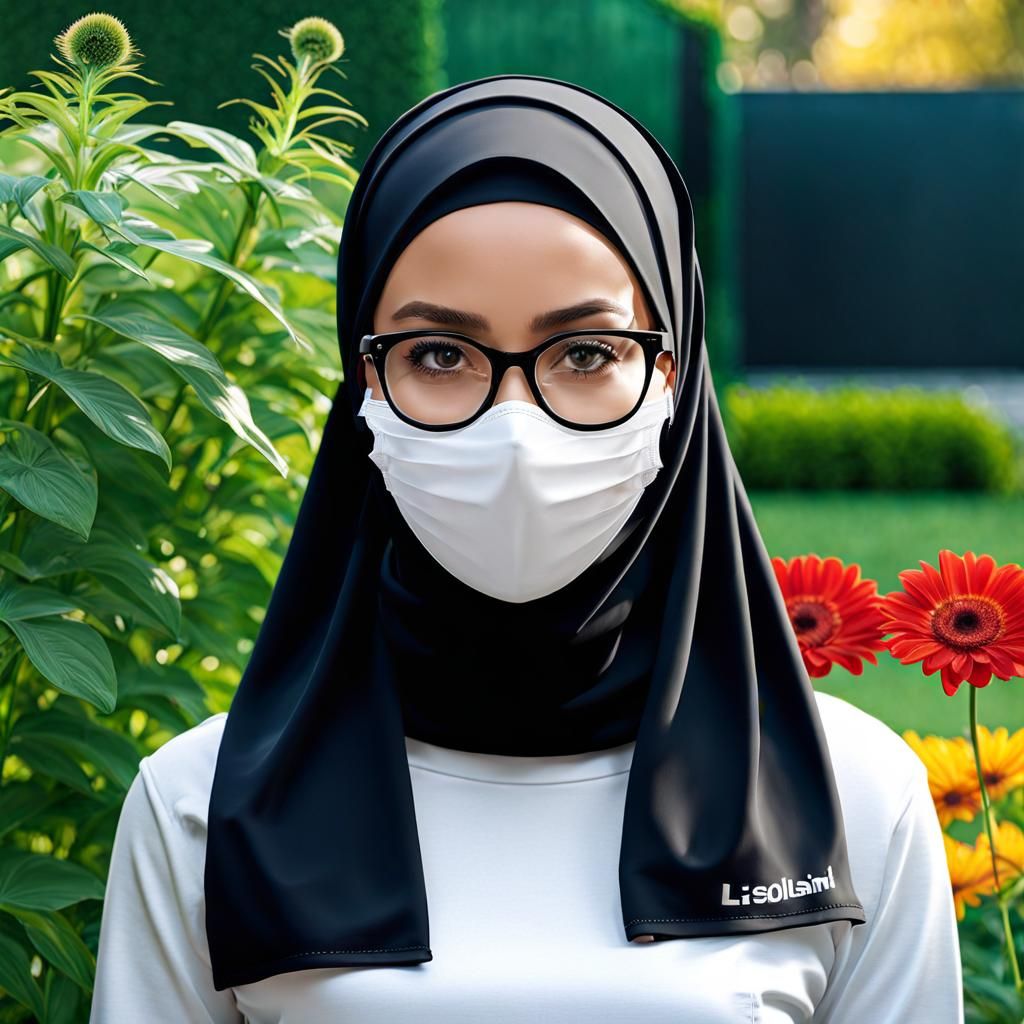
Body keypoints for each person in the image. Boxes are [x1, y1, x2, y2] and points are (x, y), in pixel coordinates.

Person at [90, 75, 964, 1023]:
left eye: (586, 353)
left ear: (671, 375)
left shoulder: (854, 800)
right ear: (362, 380)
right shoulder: (198, 806)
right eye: (437, 354)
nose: (513, 430)